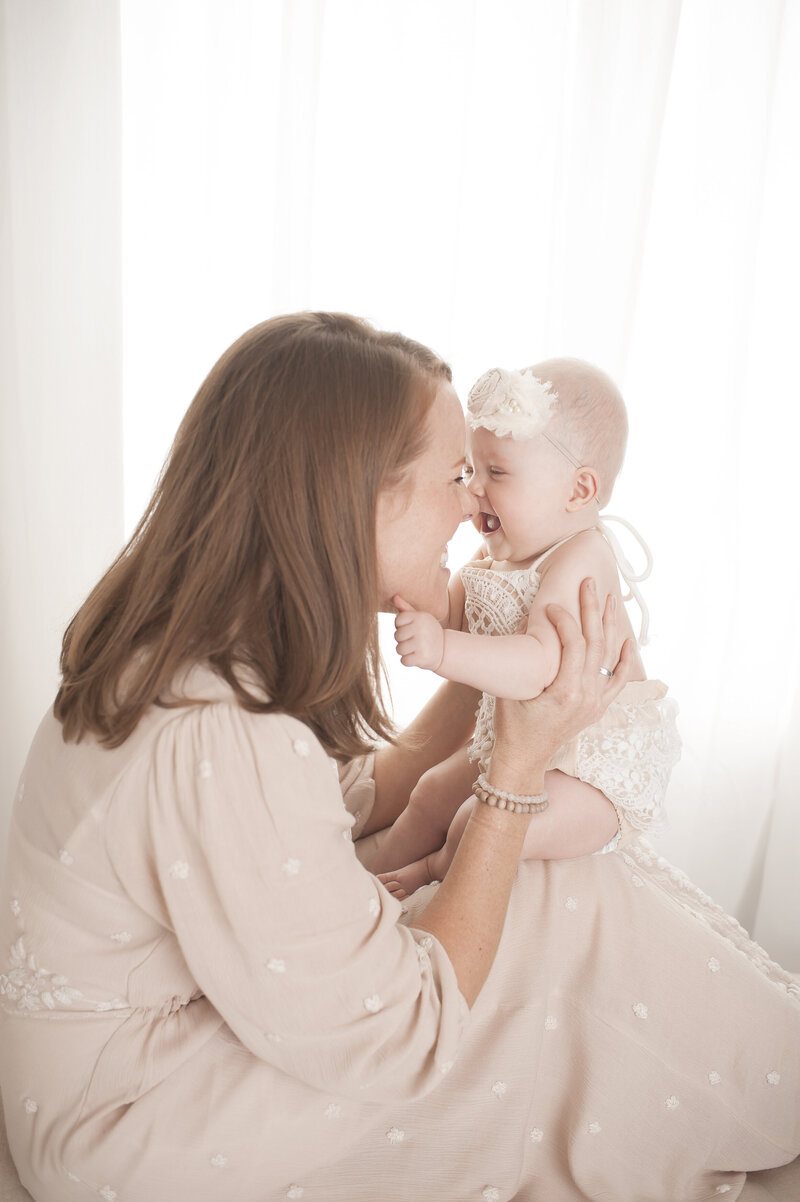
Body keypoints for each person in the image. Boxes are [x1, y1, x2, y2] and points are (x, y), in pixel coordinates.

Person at [0, 314, 797, 1202]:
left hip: (108, 1076)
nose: (471, 502)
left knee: (543, 881)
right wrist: (518, 770)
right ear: (362, 497)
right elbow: (410, 1031)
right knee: (551, 899)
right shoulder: (216, 735)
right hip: (135, 1122)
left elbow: (357, 793)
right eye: (455, 474)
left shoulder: (204, 653)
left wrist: (497, 675)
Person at [371, 359, 681, 899]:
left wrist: (441, 647)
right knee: (428, 794)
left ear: (579, 492)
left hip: (593, 772)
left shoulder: (579, 557)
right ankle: (362, 878)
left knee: (473, 820)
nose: (474, 492)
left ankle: (425, 874)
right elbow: (454, 613)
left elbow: (539, 666)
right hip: (517, 740)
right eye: (468, 471)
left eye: (498, 473)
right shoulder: (500, 555)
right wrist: (415, 597)